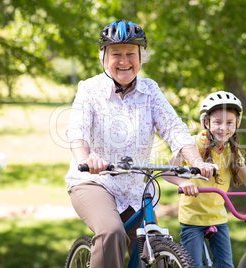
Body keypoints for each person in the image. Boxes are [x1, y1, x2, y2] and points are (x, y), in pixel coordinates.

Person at [64, 19, 216, 268]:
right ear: (104, 57)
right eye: (116, 54)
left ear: (141, 57)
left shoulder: (150, 91)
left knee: (151, 245)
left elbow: (174, 128)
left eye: (130, 54)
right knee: (112, 233)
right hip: (94, 181)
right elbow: (77, 130)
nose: (124, 61)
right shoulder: (89, 89)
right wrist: (86, 159)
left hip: (136, 189)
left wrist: (197, 161)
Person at [163, 91, 246, 268]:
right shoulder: (192, 145)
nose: (223, 128)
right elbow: (167, 172)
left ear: (237, 124)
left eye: (229, 122)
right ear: (206, 123)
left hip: (218, 218)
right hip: (193, 219)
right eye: (217, 122)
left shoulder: (231, 151)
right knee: (193, 265)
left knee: (226, 265)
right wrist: (184, 183)